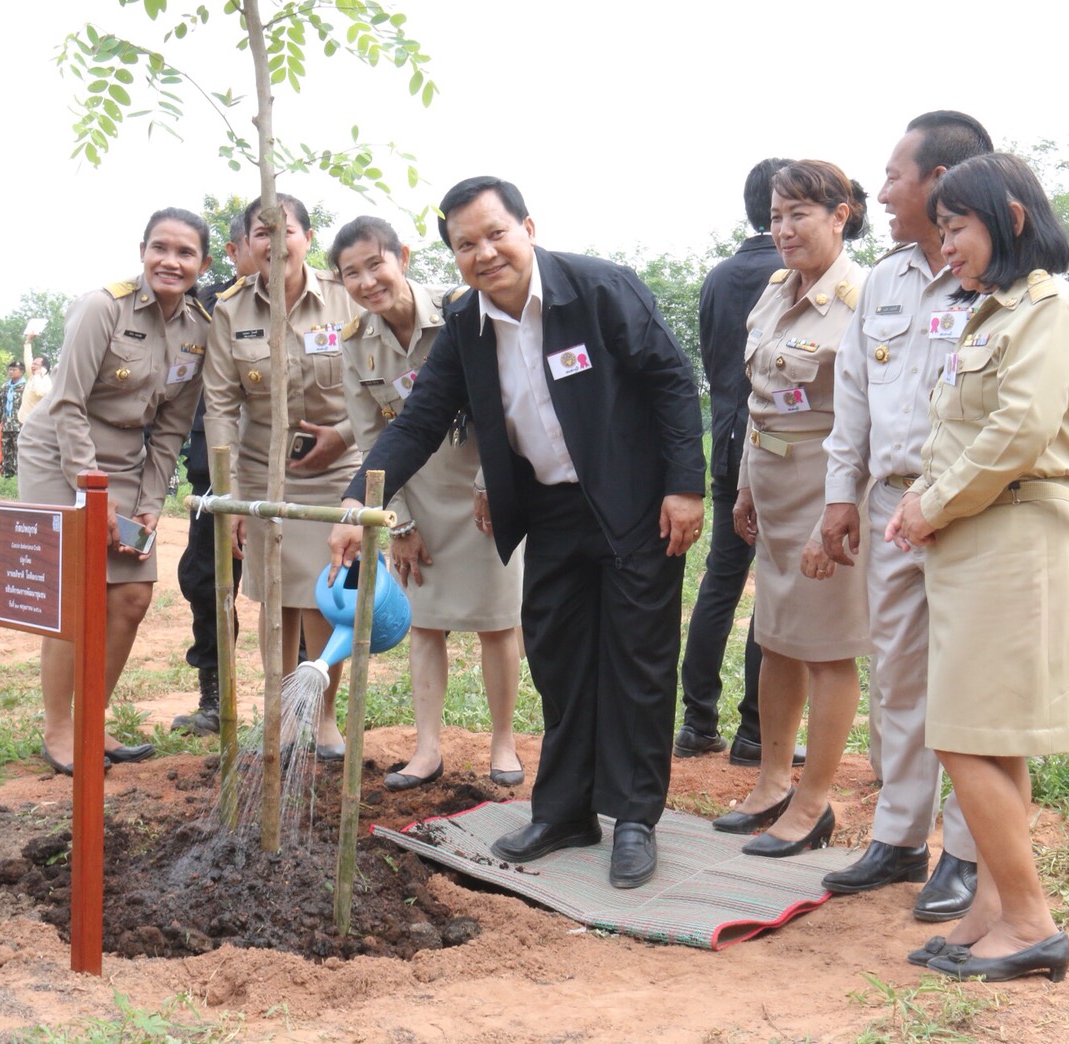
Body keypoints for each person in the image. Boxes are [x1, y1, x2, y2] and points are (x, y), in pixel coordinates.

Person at [328, 176, 705, 889]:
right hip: (551, 510)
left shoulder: (598, 289)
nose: (485, 253)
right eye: (465, 244)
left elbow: (671, 381)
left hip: (633, 503)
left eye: (496, 234)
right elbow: (418, 421)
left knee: (638, 660)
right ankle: (564, 811)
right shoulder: (465, 324)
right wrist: (358, 503)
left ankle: (634, 819)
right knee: (558, 659)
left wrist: (685, 486)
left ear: (528, 228)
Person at [885, 152, 1069, 983]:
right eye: (939, 230)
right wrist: (930, 501)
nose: (945, 246)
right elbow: (966, 429)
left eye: (956, 227)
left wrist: (932, 503)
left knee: (963, 735)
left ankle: (1030, 921)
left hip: (1011, 532)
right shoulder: (991, 313)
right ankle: (991, 910)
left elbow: (1017, 430)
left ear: (1011, 219)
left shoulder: (1056, 310)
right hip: (978, 535)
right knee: (990, 734)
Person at [817, 111, 992, 920]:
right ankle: (898, 838)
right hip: (891, 504)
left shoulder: (999, 278)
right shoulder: (884, 281)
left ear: (940, 181)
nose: (880, 193)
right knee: (899, 675)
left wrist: (945, 500)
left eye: (894, 177)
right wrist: (841, 494)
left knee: (971, 683)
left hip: (972, 509)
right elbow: (852, 393)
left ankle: (969, 851)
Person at [330, 215, 526, 790]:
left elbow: (508, 400)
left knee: (497, 620)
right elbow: (371, 438)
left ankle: (504, 742)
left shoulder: (464, 309)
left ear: (403, 257)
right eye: (351, 273)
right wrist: (399, 521)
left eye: (375, 264)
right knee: (425, 623)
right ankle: (426, 749)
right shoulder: (354, 342)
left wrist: (494, 483)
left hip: (484, 486)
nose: (367, 281)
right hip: (415, 493)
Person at [16, 206, 212, 774]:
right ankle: (59, 730)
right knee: (73, 593)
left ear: (202, 264)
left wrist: (149, 504)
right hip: (60, 452)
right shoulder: (102, 306)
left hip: (127, 459)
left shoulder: (199, 330)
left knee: (131, 595)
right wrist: (90, 495)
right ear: (142, 251)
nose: (170, 261)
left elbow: (172, 428)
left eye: (185, 253)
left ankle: (91, 722)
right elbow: (67, 402)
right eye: (160, 248)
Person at [719, 160, 871, 859]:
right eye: (777, 215)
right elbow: (761, 402)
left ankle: (814, 802)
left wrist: (836, 511)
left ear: (840, 216)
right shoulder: (775, 291)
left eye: (799, 214)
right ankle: (772, 783)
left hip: (829, 489)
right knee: (776, 637)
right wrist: (746, 485)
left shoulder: (861, 299)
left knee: (828, 647)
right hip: (773, 485)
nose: (783, 229)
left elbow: (867, 422)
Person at [202, 194, 359, 758]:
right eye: (262, 233)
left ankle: (323, 716)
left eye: (286, 230)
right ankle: (281, 716)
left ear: (307, 239)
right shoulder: (231, 311)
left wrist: (343, 436)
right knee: (277, 599)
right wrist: (231, 497)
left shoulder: (344, 297)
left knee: (326, 597)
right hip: (262, 474)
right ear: (248, 243)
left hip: (336, 469)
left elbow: (377, 387)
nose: (275, 243)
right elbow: (221, 406)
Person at [675, 158, 787, 766]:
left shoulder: (718, 277)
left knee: (721, 579)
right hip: (778, 448)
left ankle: (697, 722)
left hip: (724, 441)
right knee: (774, 585)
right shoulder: (794, 273)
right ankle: (755, 732)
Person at [172, 211, 254, 736]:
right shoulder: (207, 306)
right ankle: (215, 697)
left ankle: (303, 700)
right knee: (206, 581)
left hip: (290, 466)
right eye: (257, 238)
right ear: (234, 249)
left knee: (298, 585)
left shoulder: (318, 306)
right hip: (215, 471)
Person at [0, 360, 27, 478]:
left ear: (22, 371)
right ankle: (6, 477)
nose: (11, 372)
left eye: (14, 370)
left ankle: (19, 477)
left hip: (20, 426)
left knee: (19, 452)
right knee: (6, 453)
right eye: (10, 369)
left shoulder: (26, 387)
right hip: (6, 425)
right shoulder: (5, 387)